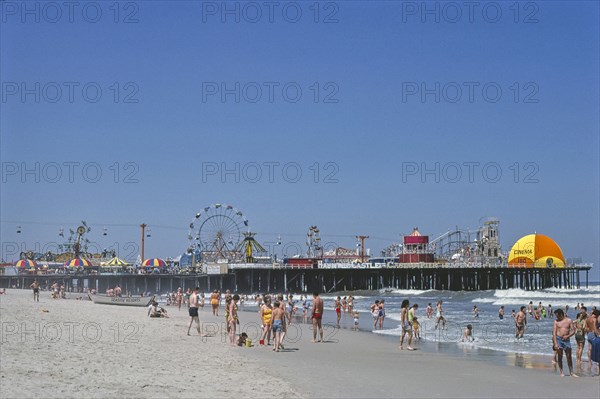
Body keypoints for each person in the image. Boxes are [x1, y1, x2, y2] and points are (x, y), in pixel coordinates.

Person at [553, 308, 578, 377]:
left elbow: (574, 331)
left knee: (568, 356)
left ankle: (571, 372)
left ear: (561, 314)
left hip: (566, 340)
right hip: (558, 339)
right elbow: (554, 333)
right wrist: (555, 343)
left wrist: (568, 336)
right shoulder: (556, 321)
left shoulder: (569, 320)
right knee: (560, 356)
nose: (556, 317)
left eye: (557, 316)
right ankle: (561, 372)